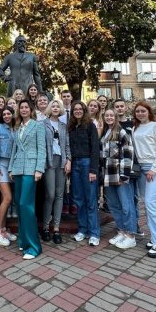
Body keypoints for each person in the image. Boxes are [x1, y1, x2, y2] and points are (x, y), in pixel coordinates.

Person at [8, 99, 46, 259]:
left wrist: (39, 169)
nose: (23, 109)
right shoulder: (17, 127)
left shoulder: (38, 126)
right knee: (19, 205)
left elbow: (42, 149)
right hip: (17, 168)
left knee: (26, 205)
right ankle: (23, 241)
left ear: (31, 110)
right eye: (21, 107)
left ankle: (33, 247)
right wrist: (10, 168)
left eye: (26, 107)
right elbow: (14, 149)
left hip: (31, 169)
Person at [132, 101, 156, 258]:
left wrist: (154, 168)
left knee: (151, 203)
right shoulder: (135, 128)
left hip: (155, 168)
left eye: (143, 111)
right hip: (141, 169)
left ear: (149, 112)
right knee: (147, 205)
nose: (140, 113)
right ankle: (154, 239)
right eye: (137, 111)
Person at [100, 108, 137, 250]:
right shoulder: (106, 132)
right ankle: (121, 231)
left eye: (111, 115)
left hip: (120, 175)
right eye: (107, 115)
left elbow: (128, 154)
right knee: (114, 206)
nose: (109, 117)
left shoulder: (122, 132)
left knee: (126, 206)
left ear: (115, 117)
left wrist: (124, 174)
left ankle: (130, 235)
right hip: (108, 176)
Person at [68, 101, 101, 246]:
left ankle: (94, 233)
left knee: (91, 199)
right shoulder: (71, 127)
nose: (78, 111)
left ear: (84, 110)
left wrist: (93, 170)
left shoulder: (90, 125)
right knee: (78, 199)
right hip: (75, 164)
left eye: (80, 109)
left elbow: (95, 148)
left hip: (87, 164)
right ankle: (82, 229)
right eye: (75, 109)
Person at [41, 100, 71, 244]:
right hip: (49, 161)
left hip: (61, 161)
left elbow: (67, 145)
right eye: (53, 106)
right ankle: (46, 227)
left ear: (60, 109)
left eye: (57, 106)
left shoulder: (64, 126)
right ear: (49, 108)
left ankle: (56, 228)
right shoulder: (43, 124)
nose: (55, 108)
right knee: (50, 194)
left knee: (59, 195)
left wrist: (69, 160)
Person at [114, 98, 144, 237]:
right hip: (119, 166)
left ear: (125, 108)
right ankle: (127, 226)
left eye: (122, 106)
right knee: (123, 198)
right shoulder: (113, 124)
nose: (120, 108)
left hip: (134, 164)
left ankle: (134, 225)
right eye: (117, 106)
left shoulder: (133, 124)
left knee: (134, 197)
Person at [0, 106, 18, 246]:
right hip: (1, 165)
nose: (7, 116)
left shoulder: (16, 128)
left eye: (9, 113)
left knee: (4, 200)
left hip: (12, 166)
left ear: (13, 115)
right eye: (4, 114)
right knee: (8, 198)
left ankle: (3, 229)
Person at [59, 89, 75, 217]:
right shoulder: (59, 113)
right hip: (62, 148)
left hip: (74, 146)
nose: (66, 98)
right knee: (63, 179)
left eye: (68, 96)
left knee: (74, 178)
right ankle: (64, 203)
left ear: (71, 97)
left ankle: (73, 203)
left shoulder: (75, 112)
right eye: (63, 96)